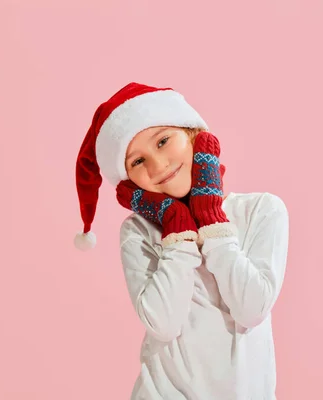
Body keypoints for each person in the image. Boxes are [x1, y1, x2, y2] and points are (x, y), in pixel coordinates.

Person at [74, 82, 289, 399]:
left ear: (194, 136)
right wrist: (177, 230)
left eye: (163, 141)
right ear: (128, 181)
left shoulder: (261, 210)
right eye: (137, 161)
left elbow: (251, 309)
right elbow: (163, 323)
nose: (157, 165)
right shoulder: (139, 231)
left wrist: (211, 218)